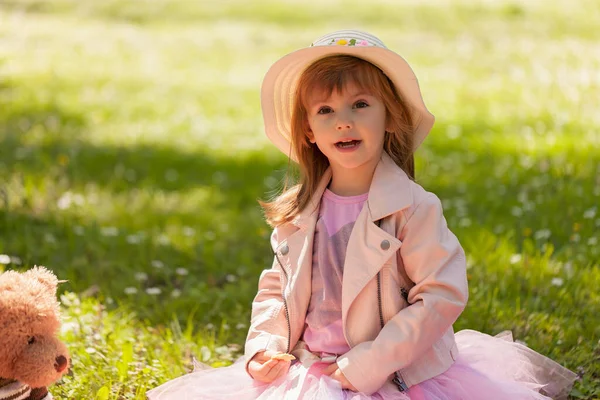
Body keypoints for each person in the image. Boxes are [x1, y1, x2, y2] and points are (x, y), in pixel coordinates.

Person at [147, 30, 577, 400]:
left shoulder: (412, 207)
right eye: (325, 111)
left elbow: (440, 296)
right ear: (308, 133)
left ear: (391, 117)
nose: (343, 122)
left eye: (360, 105)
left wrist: (368, 365)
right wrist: (264, 344)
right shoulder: (300, 211)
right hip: (311, 367)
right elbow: (278, 287)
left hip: (390, 374)